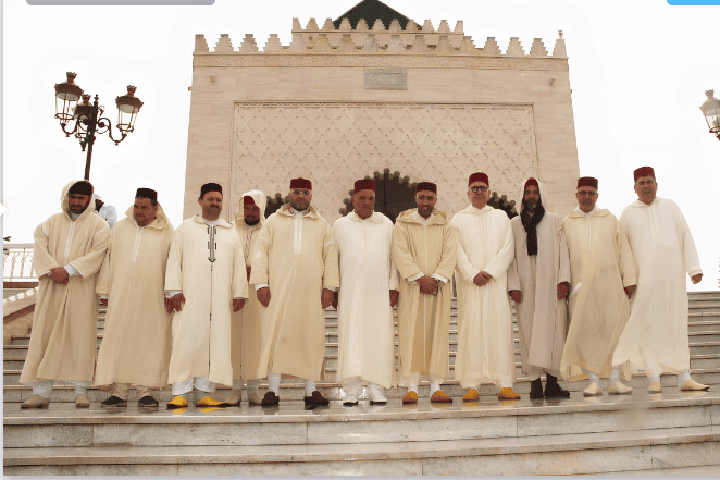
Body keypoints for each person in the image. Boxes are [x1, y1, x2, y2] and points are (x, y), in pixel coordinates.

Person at [612, 167, 708, 393]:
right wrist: (627, 280)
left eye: (650, 182)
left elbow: (685, 234)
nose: (646, 186)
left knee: (676, 325)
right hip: (645, 282)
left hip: (673, 278)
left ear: (656, 184)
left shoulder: (671, 207)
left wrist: (694, 267)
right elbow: (623, 250)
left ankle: (685, 376)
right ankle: (653, 377)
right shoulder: (627, 214)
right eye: (642, 183)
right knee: (647, 327)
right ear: (635, 187)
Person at [20, 180, 110, 408]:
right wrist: (53, 271)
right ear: (66, 197)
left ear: (89, 200)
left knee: (79, 338)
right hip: (52, 286)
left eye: (82, 198)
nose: (77, 202)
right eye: (74, 197)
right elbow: (40, 246)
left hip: (81, 287)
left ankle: (80, 391)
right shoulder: (50, 223)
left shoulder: (99, 225)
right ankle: (41, 392)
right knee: (44, 336)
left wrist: (69, 270)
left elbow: (98, 252)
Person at [250, 178, 339, 407]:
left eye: (306, 192)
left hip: (311, 293)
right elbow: (260, 253)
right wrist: (261, 284)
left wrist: (329, 287)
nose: (301, 196)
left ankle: (311, 392)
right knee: (276, 337)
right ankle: (272, 390)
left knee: (311, 338)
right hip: (278, 291)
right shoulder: (272, 221)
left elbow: (330, 258)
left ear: (311, 195)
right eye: (297, 192)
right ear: (290, 194)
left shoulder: (322, 224)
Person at [164, 183, 248, 408]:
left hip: (220, 299)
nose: (214, 204)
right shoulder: (185, 228)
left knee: (214, 344)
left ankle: (204, 393)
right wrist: (174, 290)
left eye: (218, 200)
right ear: (200, 201)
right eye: (210, 199)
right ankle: (180, 393)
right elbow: (174, 259)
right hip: (189, 297)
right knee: (185, 341)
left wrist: (239, 292)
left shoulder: (230, 232)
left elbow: (238, 264)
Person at [95, 188, 174, 408]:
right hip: (122, 296)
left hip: (153, 297)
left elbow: (174, 263)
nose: (139, 212)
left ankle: (145, 390)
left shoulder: (167, 231)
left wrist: (171, 291)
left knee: (148, 342)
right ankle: (118, 391)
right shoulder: (120, 228)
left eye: (145, 208)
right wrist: (105, 290)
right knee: (120, 340)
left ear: (155, 207)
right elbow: (109, 258)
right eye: (137, 207)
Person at [560, 176, 636, 396]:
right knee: (585, 335)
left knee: (614, 332)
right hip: (580, 290)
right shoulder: (567, 222)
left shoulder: (609, 219)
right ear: (576, 195)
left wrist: (629, 280)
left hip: (611, 287)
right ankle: (593, 381)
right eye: (582, 193)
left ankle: (614, 379)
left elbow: (624, 251)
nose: (586, 197)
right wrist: (563, 282)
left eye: (590, 193)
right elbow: (562, 257)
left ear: (597, 196)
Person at [451, 172, 521, 401]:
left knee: (499, 331)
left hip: (495, 284)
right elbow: (456, 250)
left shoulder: (501, 217)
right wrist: (472, 274)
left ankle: (505, 384)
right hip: (471, 287)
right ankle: (472, 384)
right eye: (475, 188)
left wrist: (489, 272)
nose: (479, 191)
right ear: (468, 192)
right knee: (471, 332)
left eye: (483, 188)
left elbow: (508, 248)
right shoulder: (458, 219)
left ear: (489, 192)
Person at [332, 179, 399, 405]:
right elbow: (333, 260)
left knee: (378, 338)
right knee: (350, 338)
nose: (367, 202)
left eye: (370, 198)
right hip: (350, 293)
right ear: (353, 199)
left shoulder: (386, 225)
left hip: (378, 293)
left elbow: (395, 259)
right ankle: (351, 390)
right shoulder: (340, 225)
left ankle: (376, 388)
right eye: (362, 198)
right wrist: (332, 289)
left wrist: (393, 286)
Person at [393, 182, 457, 404]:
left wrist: (436, 280)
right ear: (415, 198)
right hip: (412, 288)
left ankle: (436, 387)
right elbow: (400, 253)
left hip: (438, 290)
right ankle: (411, 387)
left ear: (436, 199)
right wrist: (419, 278)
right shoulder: (402, 224)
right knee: (411, 333)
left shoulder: (446, 225)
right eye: (422, 198)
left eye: (430, 198)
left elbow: (450, 254)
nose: (426, 203)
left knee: (436, 334)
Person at [508, 178, 571, 399]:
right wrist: (513, 284)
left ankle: (552, 383)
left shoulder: (554, 221)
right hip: (525, 287)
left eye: (535, 192)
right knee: (528, 332)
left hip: (551, 285)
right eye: (528, 192)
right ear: (522, 196)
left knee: (553, 332)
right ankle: (535, 382)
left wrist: (564, 279)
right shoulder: (515, 224)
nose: (531, 196)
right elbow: (511, 258)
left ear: (541, 196)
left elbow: (563, 251)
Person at [224, 190, 266, 406]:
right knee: (235, 341)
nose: (250, 212)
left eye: (255, 208)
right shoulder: (231, 230)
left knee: (255, 341)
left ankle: (254, 390)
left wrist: (255, 272)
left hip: (259, 292)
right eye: (247, 208)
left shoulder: (269, 231)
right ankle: (235, 390)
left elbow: (272, 258)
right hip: (235, 291)